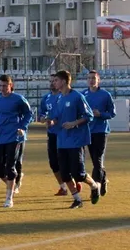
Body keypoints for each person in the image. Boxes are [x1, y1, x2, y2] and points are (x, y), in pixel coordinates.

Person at [47, 70, 101, 209]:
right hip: (62, 141)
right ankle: (77, 199)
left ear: (64, 81)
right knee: (65, 174)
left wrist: (73, 123)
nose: (54, 83)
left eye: (56, 80)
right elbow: (56, 117)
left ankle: (95, 185)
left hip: (76, 140)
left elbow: (89, 116)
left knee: (79, 174)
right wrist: (51, 121)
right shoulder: (59, 98)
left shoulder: (77, 96)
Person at [0, 75, 33, 208]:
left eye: (5, 85)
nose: (2, 88)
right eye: (0, 85)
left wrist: (22, 127)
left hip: (14, 136)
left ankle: (9, 197)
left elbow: (29, 114)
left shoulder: (18, 99)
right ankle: (12, 187)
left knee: (10, 167)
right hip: (0, 137)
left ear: (10, 85)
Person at [39, 75, 82, 196]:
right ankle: (63, 187)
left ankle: (74, 181)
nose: (52, 83)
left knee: (68, 162)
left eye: (55, 81)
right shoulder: (45, 98)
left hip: (64, 133)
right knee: (53, 163)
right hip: (52, 133)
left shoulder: (64, 96)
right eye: (51, 81)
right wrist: (43, 119)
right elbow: (41, 114)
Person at [82, 70, 116, 197]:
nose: (91, 80)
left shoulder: (105, 95)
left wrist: (100, 114)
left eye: (93, 78)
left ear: (98, 80)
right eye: (89, 78)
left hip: (101, 131)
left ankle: (96, 186)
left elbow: (112, 113)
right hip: (88, 131)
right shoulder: (83, 95)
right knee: (95, 160)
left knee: (97, 159)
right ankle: (103, 179)